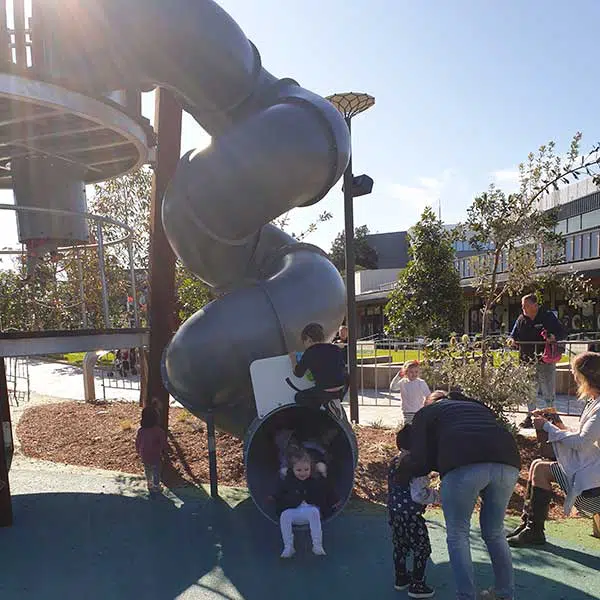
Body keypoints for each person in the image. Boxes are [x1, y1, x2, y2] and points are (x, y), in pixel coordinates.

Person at [408, 390, 521, 600]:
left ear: (428, 403)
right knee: (495, 533)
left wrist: (416, 477)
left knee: (458, 533)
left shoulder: (427, 413)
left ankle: (466, 596)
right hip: (507, 462)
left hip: (462, 465)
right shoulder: (475, 405)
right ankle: (505, 594)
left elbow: (419, 455)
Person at [507, 351, 600, 547]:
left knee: (541, 470)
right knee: (536, 465)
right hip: (592, 471)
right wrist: (558, 424)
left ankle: (534, 531)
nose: (574, 377)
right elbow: (585, 436)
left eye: (576, 373)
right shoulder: (594, 402)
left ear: (587, 377)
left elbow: (582, 442)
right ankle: (528, 525)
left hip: (594, 490)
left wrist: (547, 427)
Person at [388, 424, 438, 599]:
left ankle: (401, 577)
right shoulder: (416, 467)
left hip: (395, 514)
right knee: (422, 548)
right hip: (412, 516)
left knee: (400, 546)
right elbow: (418, 495)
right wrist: (436, 495)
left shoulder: (394, 462)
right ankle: (417, 584)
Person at [508, 293, 566, 426]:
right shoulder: (521, 319)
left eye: (526, 305)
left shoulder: (547, 316)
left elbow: (562, 332)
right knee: (529, 391)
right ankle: (531, 417)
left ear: (535, 305)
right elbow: (512, 335)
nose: (523, 308)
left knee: (548, 391)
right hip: (526, 360)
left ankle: (552, 416)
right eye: (522, 305)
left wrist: (553, 337)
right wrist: (511, 340)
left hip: (545, 360)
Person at [274, 447, 336, 558]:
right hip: (294, 511)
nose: (303, 473)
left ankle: (317, 545)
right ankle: (288, 547)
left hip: (309, 510)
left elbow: (326, 490)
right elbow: (280, 493)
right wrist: (273, 498)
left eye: (306, 470)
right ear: (292, 469)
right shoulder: (288, 481)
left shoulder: (315, 480)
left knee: (314, 512)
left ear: (311, 468)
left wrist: (324, 473)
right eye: (299, 470)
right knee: (284, 516)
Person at [289, 322, 347, 419]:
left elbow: (298, 373)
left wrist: (293, 360)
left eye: (304, 342)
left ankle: (322, 408)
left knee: (299, 397)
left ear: (308, 339)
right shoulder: (335, 348)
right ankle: (334, 402)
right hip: (341, 388)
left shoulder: (310, 352)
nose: (305, 346)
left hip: (324, 391)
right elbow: (341, 366)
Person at [135, 406, 168, 495]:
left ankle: (149, 483)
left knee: (147, 469)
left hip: (144, 454)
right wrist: (164, 451)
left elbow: (138, 442)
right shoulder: (159, 431)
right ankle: (156, 485)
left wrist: (138, 451)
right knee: (156, 470)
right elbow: (163, 443)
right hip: (155, 455)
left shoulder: (141, 430)